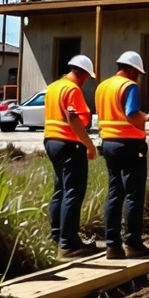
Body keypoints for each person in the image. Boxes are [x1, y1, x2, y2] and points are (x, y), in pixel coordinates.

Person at [95, 51, 149, 260]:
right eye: (138, 73)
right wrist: (145, 117)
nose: (138, 77)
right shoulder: (129, 86)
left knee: (114, 192)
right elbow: (131, 113)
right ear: (131, 70)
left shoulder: (103, 87)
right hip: (130, 145)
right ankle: (133, 244)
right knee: (133, 195)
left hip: (108, 143)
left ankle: (112, 246)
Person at [45, 54, 99, 259]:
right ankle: (68, 245)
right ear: (81, 73)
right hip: (69, 145)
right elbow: (72, 117)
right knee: (73, 193)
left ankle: (58, 238)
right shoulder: (72, 89)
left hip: (51, 142)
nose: (86, 80)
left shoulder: (53, 87)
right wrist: (88, 143)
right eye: (86, 76)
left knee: (60, 190)